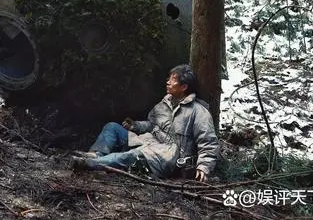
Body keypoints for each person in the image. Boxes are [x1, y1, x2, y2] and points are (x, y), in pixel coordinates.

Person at [71, 64, 219, 182]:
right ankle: (97, 154)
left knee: (129, 156)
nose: (168, 82)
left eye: (173, 80)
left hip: (167, 155)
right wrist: (135, 126)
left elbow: (208, 141)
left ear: (184, 87)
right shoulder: (164, 103)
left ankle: (89, 165)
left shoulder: (198, 111)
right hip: (148, 142)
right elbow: (150, 124)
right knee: (112, 127)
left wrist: (204, 166)